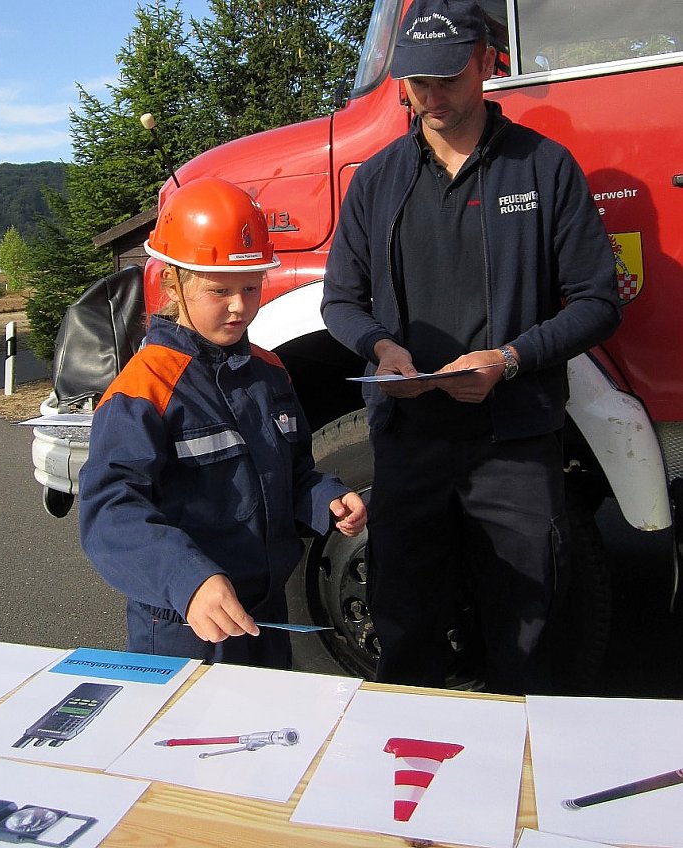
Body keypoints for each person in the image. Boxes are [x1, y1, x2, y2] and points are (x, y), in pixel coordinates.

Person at [321, 0, 621, 694]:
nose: (431, 97)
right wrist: (381, 347)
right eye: (417, 82)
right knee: (407, 634)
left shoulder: (545, 169)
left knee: (526, 638)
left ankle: (522, 791)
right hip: (409, 446)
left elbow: (599, 303)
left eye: (448, 79)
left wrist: (508, 360)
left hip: (514, 446)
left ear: (488, 63)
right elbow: (340, 300)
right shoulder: (376, 180)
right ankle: (409, 787)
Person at [80, 177, 367, 669]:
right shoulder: (145, 387)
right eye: (220, 290)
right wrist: (187, 581)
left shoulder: (270, 373)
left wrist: (325, 499)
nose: (240, 306)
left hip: (264, 619)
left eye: (252, 287)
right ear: (173, 282)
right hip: (183, 627)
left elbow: (293, 473)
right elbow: (110, 511)